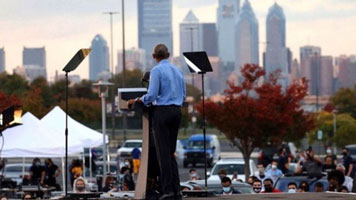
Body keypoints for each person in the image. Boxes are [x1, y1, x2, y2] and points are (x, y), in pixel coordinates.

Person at [128, 44, 185, 200]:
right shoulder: (178, 71)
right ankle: (177, 190)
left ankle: (167, 191)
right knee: (171, 152)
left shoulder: (156, 71)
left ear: (154, 56)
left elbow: (152, 94)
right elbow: (184, 95)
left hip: (162, 112)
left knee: (163, 154)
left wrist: (139, 100)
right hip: (177, 112)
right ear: (168, 55)